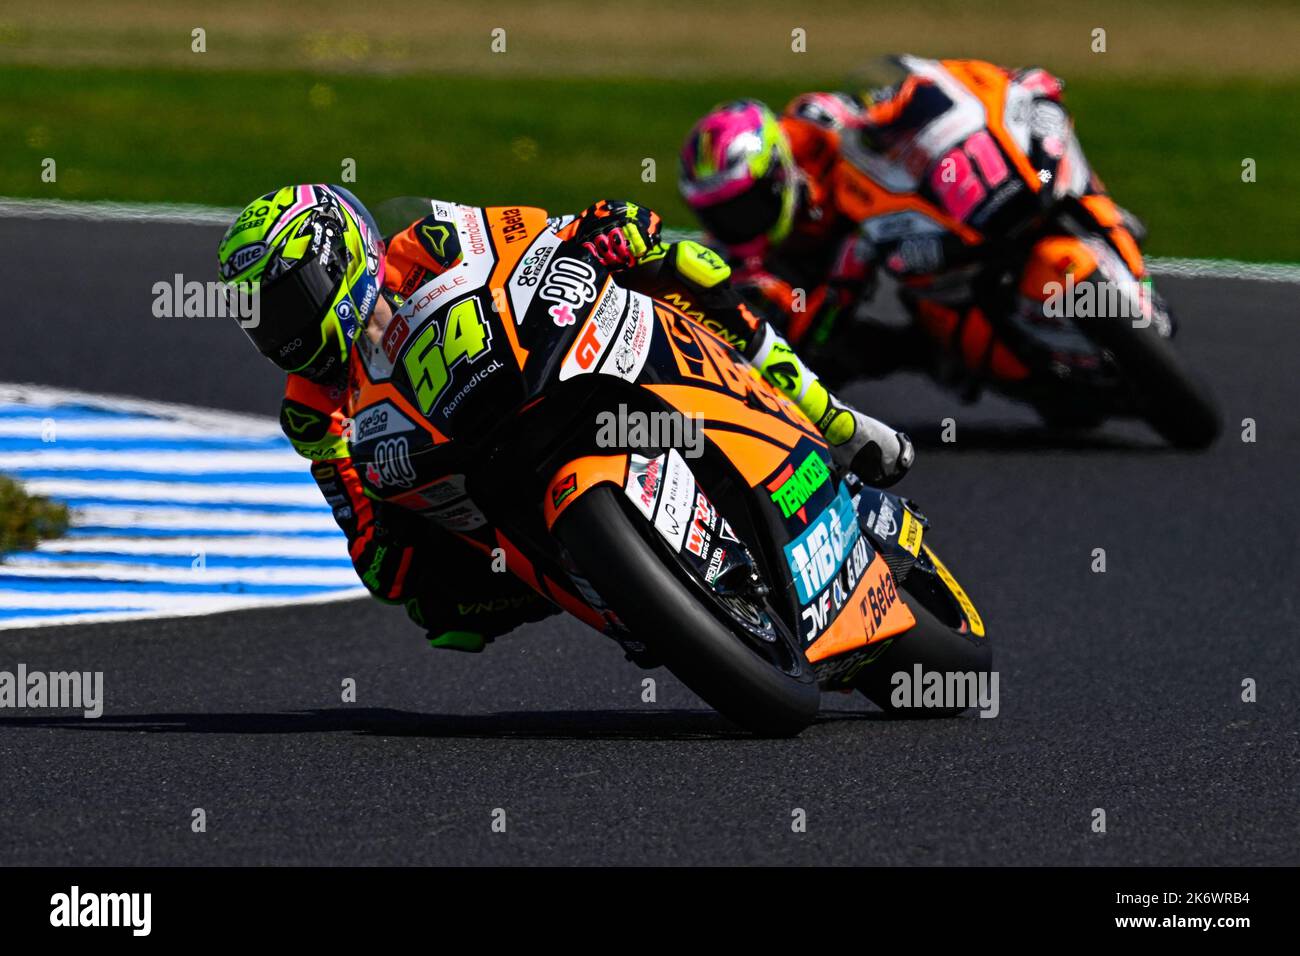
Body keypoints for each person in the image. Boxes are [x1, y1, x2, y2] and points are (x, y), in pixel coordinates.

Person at [216, 185, 913, 653]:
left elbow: (523, 235)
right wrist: (387, 535)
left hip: (543, 364)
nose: (281, 334)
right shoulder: (311, 412)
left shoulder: (424, 241)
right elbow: (369, 546)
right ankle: (610, 586)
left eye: (287, 302)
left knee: (680, 262)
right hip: (471, 477)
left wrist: (594, 233)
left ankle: (831, 417)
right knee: (436, 611)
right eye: (260, 320)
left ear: (341, 257)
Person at [678, 56, 1158, 389]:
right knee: (842, 351)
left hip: (904, 209)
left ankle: (1100, 221)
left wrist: (946, 96)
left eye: (741, 205)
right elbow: (800, 332)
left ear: (778, 173)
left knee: (1032, 160)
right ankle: (950, 358)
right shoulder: (740, 262)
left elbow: (887, 105)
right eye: (720, 212)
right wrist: (835, 286)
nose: (735, 222)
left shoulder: (812, 125)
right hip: (858, 270)